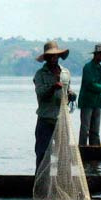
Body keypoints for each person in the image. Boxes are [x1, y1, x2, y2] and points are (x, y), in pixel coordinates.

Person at [33, 41, 76, 171]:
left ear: (58, 56)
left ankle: (61, 182)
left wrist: (72, 94)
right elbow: (40, 93)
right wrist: (52, 88)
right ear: (46, 58)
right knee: (43, 153)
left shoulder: (65, 73)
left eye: (55, 56)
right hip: (45, 119)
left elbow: (68, 91)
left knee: (64, 153)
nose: (53, 58)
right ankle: (41, 183)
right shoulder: (40, 74)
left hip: (61, 120)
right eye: (50, 56)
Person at [78, 44, 101, 146]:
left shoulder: (100, 67)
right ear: (97, 55)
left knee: (95, 130)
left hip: (97, 102)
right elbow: (90, 84)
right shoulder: (88, 67)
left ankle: (95, 149)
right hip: (87, 102)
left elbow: (99, 85)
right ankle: (82, 148)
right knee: (85, 128)